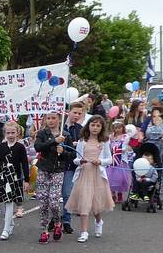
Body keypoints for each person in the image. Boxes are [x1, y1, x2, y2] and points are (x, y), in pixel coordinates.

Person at [65, 115, 114, 242]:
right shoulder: (82, 141)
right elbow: (76, 159)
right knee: (84, 202)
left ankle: (99, 221)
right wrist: (80, 161)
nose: (95, 128)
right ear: (88, 126)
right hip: (84, 174)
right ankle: (84, 232)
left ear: (102, 128)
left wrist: (100, 161)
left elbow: (110, 159)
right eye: (93, 125)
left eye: (98, 125)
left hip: (97, 174)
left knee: (96, 203)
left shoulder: (104, 141)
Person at [33, 111, 75, 244]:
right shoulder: (42, 133)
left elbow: (72, 156)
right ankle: (44, 230)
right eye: (48, 118)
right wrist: (53, 141)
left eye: (54, 118)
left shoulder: (66, 135)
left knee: (54, 201)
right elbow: (37, 147)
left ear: (59, 120)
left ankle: (57, 222)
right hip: (44, 169)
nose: (51, 121)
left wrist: (63, 152)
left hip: (58, 171)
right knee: (43, 202)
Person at [0, 122, 29, 241]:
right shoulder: (1, 146)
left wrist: (26, 180)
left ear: (17, 133)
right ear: (4, 133)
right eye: (8, 133)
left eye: (13, 133)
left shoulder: (20, 147)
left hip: (14, 177)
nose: (10, 135)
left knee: (9, 201)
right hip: (2, 176)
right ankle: (10, 222)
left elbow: (24, 164)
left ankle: (5, 229)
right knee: (2, 201)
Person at [140, 107, 163, 201]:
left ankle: (158, 193)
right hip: (149, 146)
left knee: (161, 171)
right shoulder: (148, 119)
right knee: (146, 169)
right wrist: (141, 137)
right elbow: (142, 131)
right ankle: (143, 190)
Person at [60, 101, 85, 233]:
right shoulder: (60, 126)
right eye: (74, 112)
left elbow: (82, 146)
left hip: (70, 166)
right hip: (57, 165)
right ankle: (54, 220)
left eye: (79, 114)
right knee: (54, 195)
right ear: (68, 112)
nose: (76, 115)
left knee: (67, 194)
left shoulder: (80, 129)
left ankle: (66, 220)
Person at [106, 120, 134, 203]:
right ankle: (113, 193)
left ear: (123, 128)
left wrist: (117, 150)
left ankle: (120, 193)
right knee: (111, 177)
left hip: (121, 159)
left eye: (119, 128)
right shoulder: (111, 137)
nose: (117, 130)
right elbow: (108, 146)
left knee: (121, 178)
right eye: (115, 128)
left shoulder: (125, 137)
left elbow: (125, 148)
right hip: (112, 159)